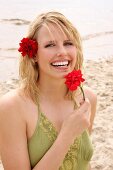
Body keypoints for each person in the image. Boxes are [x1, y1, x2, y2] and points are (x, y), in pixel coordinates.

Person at [0, 11, 97, 170]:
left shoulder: (88, 99)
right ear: (34, 54)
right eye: (50, 45)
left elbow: (84, 162)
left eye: (68, 43)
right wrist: (67, 135)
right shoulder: (11, 107)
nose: (62, 52)